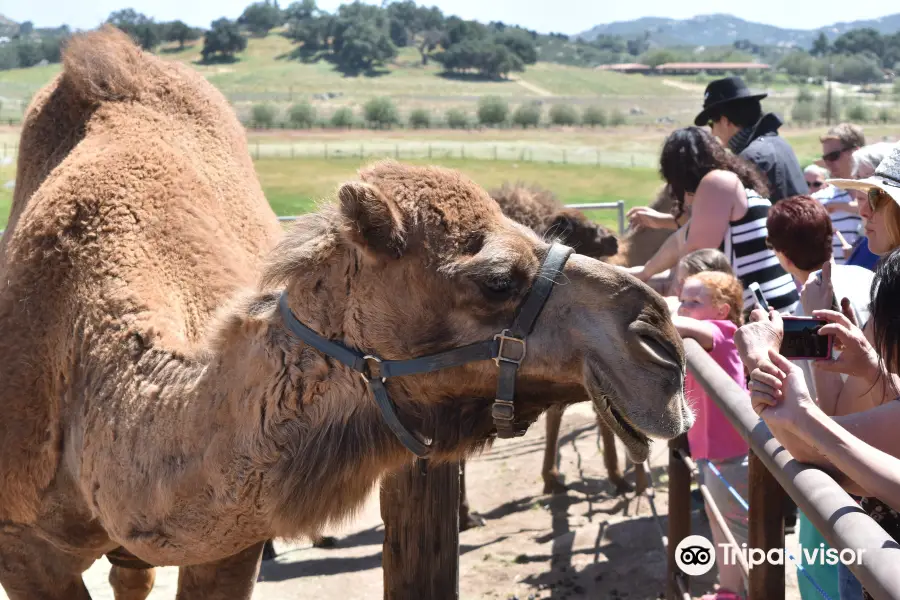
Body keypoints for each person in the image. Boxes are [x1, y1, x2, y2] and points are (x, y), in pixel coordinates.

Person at [736, 147, 900, 600]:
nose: (862, 207)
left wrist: (765, 371)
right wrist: (871, 368)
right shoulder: (874, 279)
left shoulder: (891, 284)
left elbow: (827, 457)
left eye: (878, 197)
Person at [764, 196, 874, 600]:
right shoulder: (866, 278)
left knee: (826, 576)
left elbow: (822, 410)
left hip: (839, 468)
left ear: (781, 254)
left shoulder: (800, 316)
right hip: (882, 450)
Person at [624, 127, 798, 314]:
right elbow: (681, 239)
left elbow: (695, 256)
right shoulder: (727, 185)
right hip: (771, 312)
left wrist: (675, 300)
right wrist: (645, 273)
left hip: (762, 315)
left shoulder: (716, 184)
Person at [672, 271, 750, 600]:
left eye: (694, 302)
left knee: (736, 529)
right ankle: (730, 589)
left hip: (730, 453)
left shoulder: (724, 332)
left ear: (722, 310)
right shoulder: (705, 334)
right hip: (709, 450)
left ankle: (744, 590)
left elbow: (675, 325)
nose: (684, 307)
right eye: (682, 300)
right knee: (719, 522)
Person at [695, 76, 808, 202]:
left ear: (725, 121)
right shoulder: (778, 143)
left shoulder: (752, 158)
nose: (713, 132)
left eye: (711, 123)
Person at [814, 124, 866, 264]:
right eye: (825, 158)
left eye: (834, 156)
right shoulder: (818, 202)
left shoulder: (883, 198)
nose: (828, 163)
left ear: (856, 152)